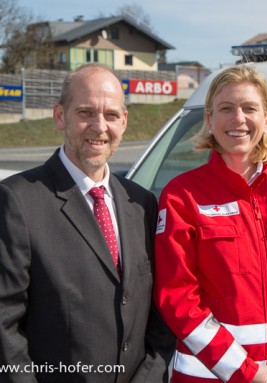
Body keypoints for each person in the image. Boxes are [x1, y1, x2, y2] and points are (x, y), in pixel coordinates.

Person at [153, 65, 267, 383]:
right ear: (209, 119)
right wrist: (244, 371)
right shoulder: (181, 196)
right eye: (226, 108)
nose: (238, 119)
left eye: (249, 108)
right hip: (210, 377)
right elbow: (177, 296)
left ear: (266, 120)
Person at [0, 63, 175, 382]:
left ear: (123, 121)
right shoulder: (17, 201)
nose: (99, 126)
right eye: (85, 112)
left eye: (110, 115)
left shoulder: (143, 204)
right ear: (59, 116)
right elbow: (4, 328)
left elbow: (160, 317)